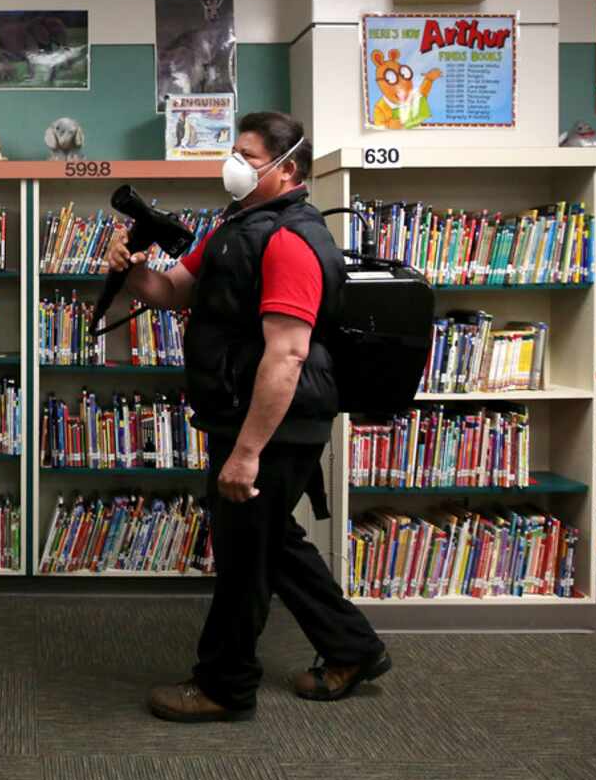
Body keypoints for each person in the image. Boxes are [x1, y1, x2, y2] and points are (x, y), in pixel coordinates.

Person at [103, 111, 390, 722]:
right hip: (244, 414)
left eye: (245, 154)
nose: (232, 162)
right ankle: (353, 648)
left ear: (287, 169)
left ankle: (224, 685)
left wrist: (248, 452)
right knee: (271, 542)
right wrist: (130, 272)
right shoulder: (237, 226)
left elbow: (286, 353)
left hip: (275, 426)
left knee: (242, 561)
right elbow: (174, 291)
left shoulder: (288, 238)